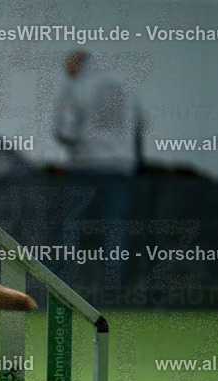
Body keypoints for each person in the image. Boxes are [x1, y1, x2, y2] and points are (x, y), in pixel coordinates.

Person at [54, 50, 143, 288]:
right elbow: (140, 123)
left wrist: (81, 142)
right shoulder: (123, 84)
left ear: (77, 64)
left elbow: (64, 130)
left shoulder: (76, 87)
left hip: (85, 165)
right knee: (114, 226)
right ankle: (115, 287)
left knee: (72, 225)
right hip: (121, 167)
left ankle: (64, 283)